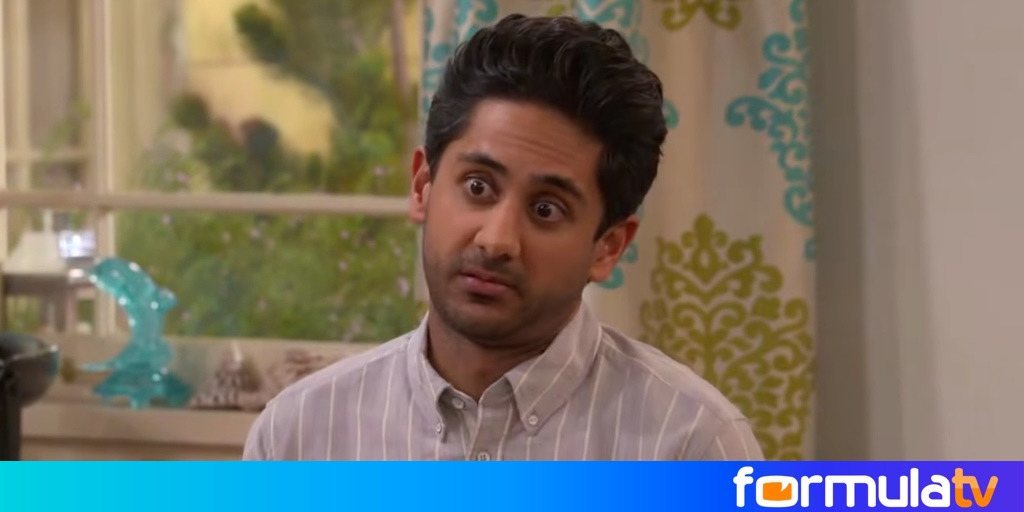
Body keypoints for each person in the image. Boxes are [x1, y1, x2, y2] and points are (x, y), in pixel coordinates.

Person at [243, 14, 762, 461]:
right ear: (422, 187)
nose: (496, 241)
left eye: (546, 209)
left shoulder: (694, 445)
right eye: (478, 187)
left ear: (608, 247)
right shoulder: (298, 435)